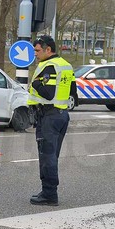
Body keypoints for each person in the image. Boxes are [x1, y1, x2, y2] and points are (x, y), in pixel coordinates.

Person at [28, 35, 76, 206]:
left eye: (38, 50)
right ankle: (48, 191)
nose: (35, 54)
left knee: (47, 155)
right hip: (61, 115)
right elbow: (73, 93)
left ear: (48, 50)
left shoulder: (49, 66)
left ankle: (49, 194)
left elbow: (47, 92)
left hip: (48, 116)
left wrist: (35, 84)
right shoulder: (66, 65)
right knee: (52, 155)